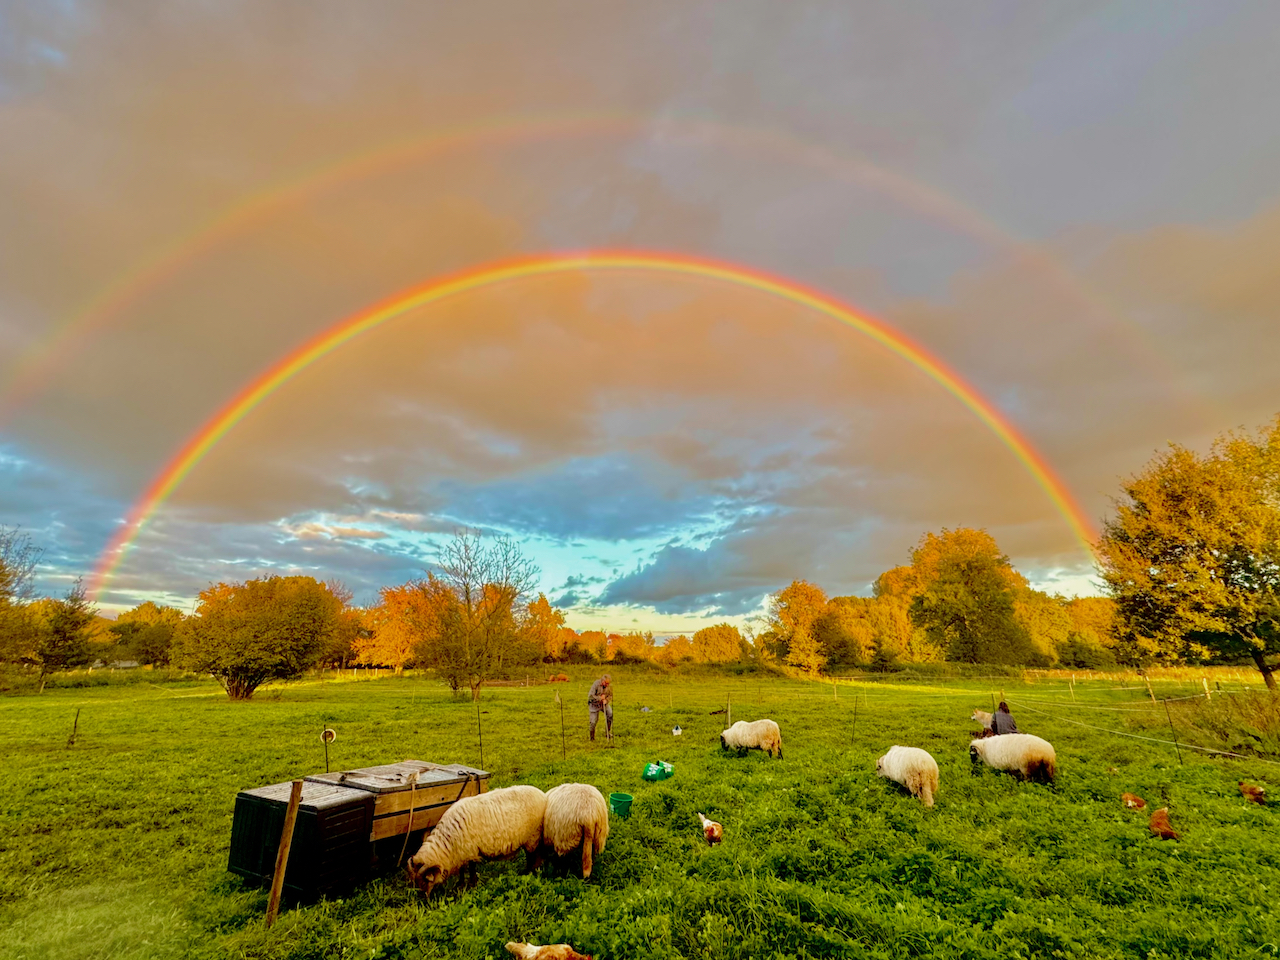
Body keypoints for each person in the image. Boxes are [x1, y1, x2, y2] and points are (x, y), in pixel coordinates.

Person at [587, 674, 613, 741]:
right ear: (602, 681)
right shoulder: (596, 684)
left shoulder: (609, 686)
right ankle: (592, 738)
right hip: (594, 704)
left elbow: (610, 695)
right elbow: (590, 696)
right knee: (593, 721)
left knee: (610, 714)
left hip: (603, 704)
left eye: (608, 683)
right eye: (606, 683)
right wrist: (600, 698)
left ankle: (608, 732)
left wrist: (606, 700)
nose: (607, 685)